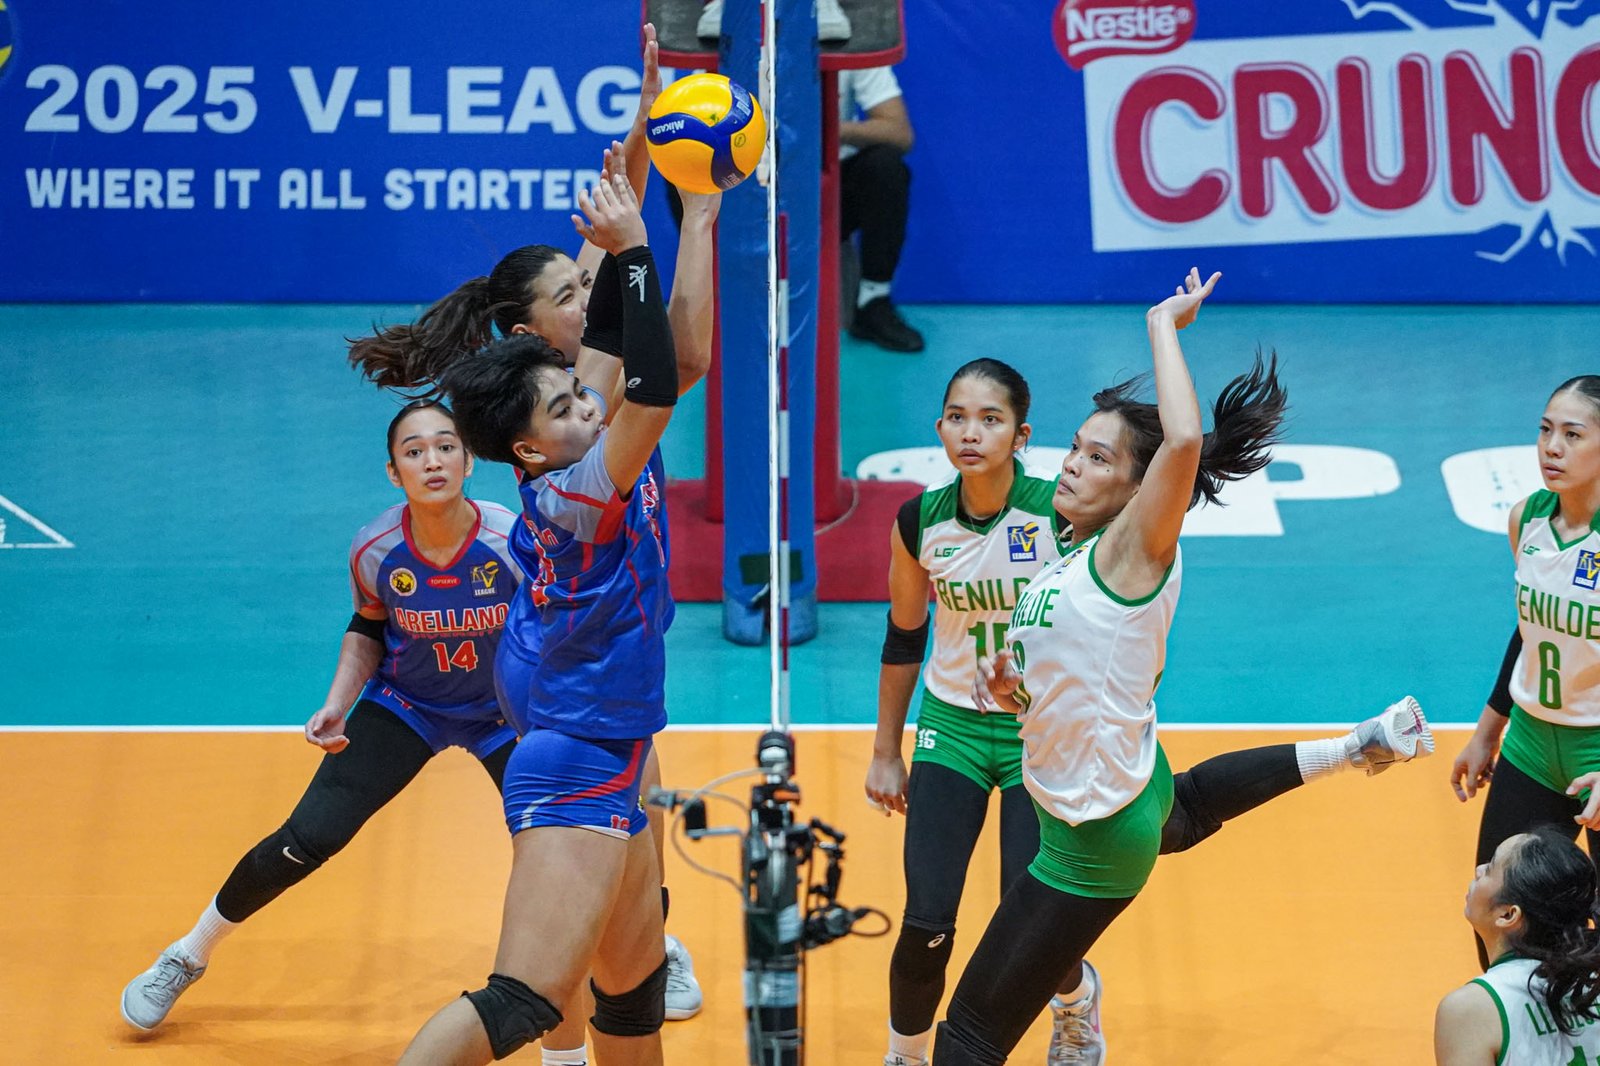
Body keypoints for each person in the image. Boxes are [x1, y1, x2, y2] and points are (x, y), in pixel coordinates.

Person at [869, 356, 1433, 1066]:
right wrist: (1015, 688)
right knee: (1183, 811)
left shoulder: (1133, 551)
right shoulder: (1071, 556)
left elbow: (1184, 442)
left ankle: (1068, 1013)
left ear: (1142, 490)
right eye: (1076, 448)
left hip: (1092, 830)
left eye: (1097, 458)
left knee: (970, 1039)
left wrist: (1163, 325)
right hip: (1125, 781)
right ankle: (1353, 747)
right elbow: (1059, 677)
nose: (1071, 465)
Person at [348, 26, 711, 1025]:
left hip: (607, 666)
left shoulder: (569, 391)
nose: (584, 294)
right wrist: (648, 241)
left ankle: (634, 933)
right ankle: (584, 952)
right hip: (576, 679)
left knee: (628, 903)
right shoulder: (574, 412)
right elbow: (665, 363)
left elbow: (616, 220)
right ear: (531, 330)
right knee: (544, 964)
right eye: (568, 293)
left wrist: (656, 117)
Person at [114, 402, 589, 1040]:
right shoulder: (375, 548)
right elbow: (368, 625)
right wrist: (338, 701)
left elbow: (558, 624)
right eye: (414, 452)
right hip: (409, 706)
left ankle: (654, 951)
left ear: (469, 461)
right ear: (395, 472)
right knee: (306, 837)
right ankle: (187, 954)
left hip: (506, 714)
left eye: (446, 446)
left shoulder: (510, 540)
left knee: (575, 846)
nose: (432, 461)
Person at [1452, 375, 1600, 970]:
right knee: (1498, 916)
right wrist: (1487, 732)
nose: (1551, 447)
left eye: (1572, 434)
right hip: (1532, 746)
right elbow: (1529, 633)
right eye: (1544, 431)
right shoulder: (1527, 520)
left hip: (1596, 751)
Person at [1435, 827, 1600, 1065]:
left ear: (1507, 914)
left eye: (1490, 869)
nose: (1479, 869)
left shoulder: (1470, 1009)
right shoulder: (1594, 983)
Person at [838, 64, 924, 353]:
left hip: (831, 193)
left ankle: (873, 300)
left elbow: (899, 131)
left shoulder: (851, 43)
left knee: (885, 167)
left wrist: (827, 130)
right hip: (757, 187)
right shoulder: (732, 44)